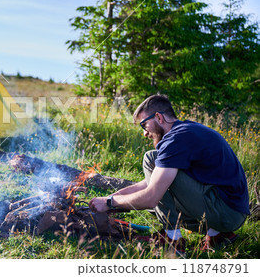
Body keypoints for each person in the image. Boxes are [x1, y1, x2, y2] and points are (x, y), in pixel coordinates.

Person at [89, 94, 250, 256]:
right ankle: (217, 236)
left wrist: (110, 203)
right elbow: (149, 183)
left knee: (151, 159)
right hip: (232, 211)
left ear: (158, 117)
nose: (145, 133)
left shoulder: (174, 140)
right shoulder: (186, 131)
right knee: (153, 201)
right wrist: (111, 198)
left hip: (226, 212)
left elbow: (151, 196)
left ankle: (173, 241)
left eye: (144, 125)